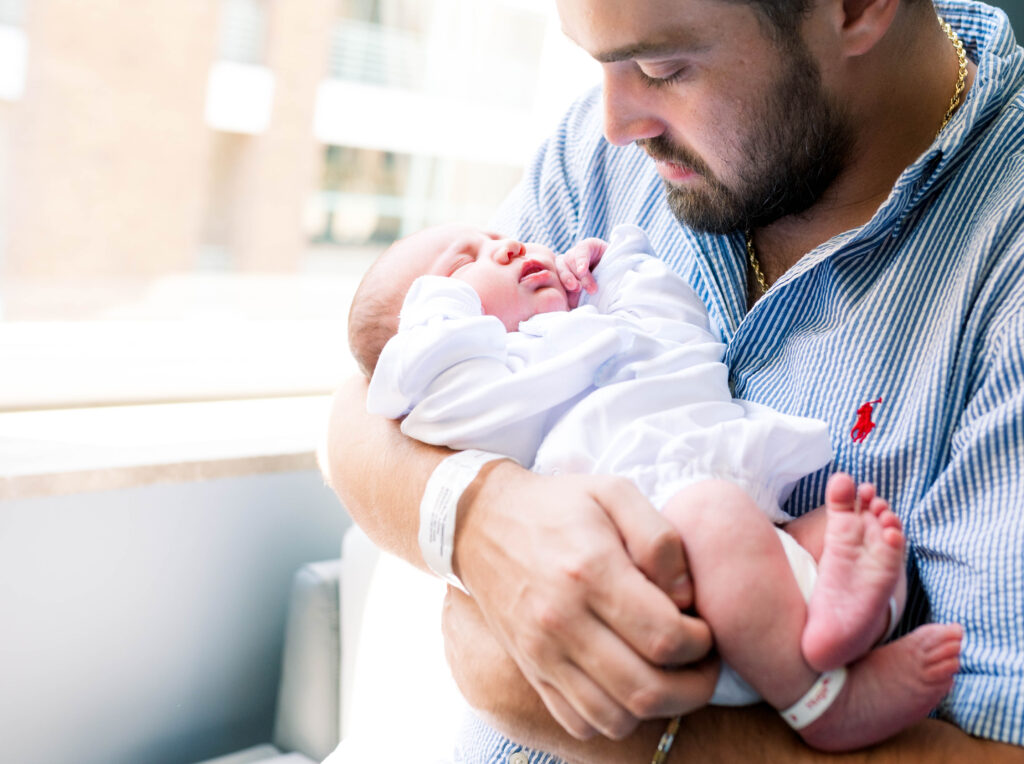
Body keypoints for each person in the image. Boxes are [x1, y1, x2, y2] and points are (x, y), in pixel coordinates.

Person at [325, 1, 1024, 761]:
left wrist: (622, 727)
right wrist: (476, 520)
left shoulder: (1003, 270)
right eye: (598, 62)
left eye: (663, 68)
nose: (615, 126)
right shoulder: (598, 155)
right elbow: (365, 405)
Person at [350, 219, 961, 752]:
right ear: (430, 330)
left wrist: (617, 272)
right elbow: (421, 379)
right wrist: (443, 307)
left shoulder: (595, 322)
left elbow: (682, 332)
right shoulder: (488, 389)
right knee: (719, 517)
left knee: (850, 528)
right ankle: (822, 704)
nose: (506, 247)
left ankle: (845, 626)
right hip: (658, 553)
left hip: (742, 524)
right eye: (461, 266)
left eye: (499, 238)